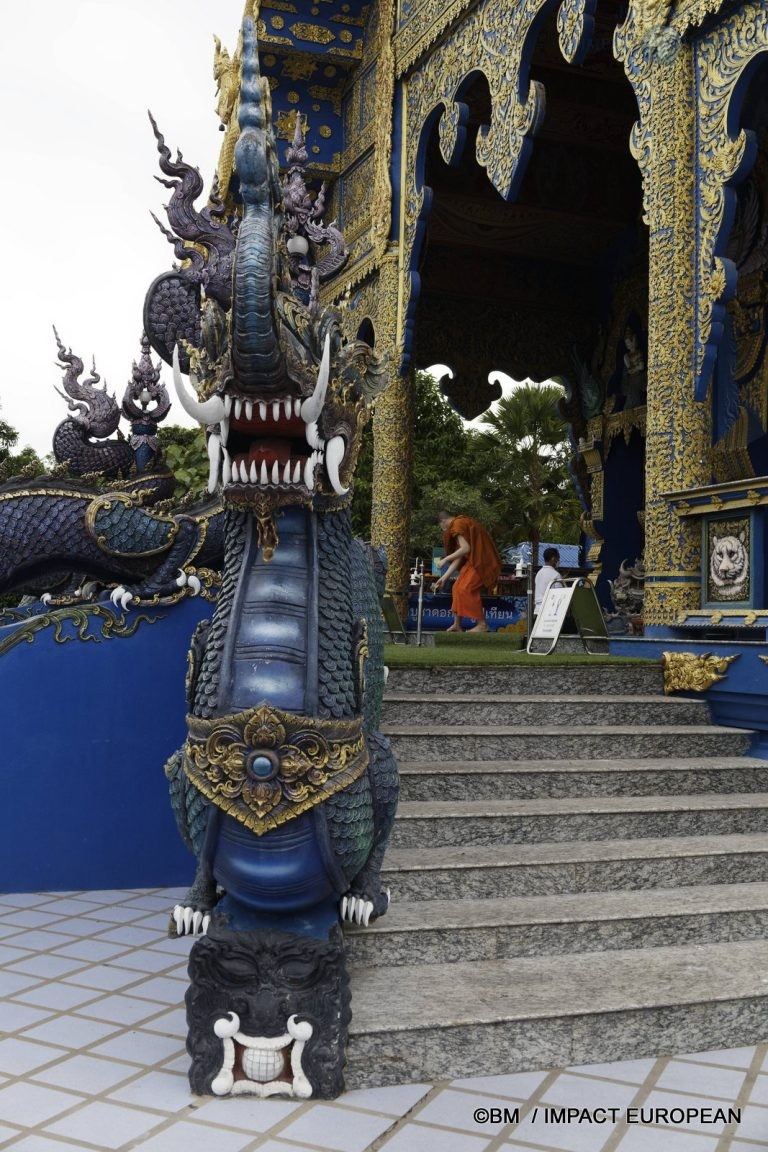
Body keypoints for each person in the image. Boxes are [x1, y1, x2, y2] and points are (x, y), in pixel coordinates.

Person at [434, 510, 501, 633]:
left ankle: (481, 624)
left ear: (442, 522)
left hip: (482, 561)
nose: (443, 529)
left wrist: (445, 560)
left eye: (440, 526)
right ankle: (457, 624)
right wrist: (444, 577)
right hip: (474, 561)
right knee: (456, 587)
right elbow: (460, 556)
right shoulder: (461, 523)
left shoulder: (457, 525)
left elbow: (465, 549)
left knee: (465, 588)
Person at [534, 547, 561, 615]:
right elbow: (559, 595)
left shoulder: (539, 573)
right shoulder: (556, 575)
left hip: (537, 610)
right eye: (558, 558)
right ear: (553, 558)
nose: (558, 561)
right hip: (549, 611)